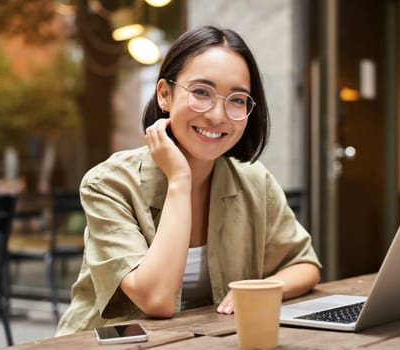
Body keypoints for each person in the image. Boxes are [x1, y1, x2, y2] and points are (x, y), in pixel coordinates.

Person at [56, 25, 321, 335]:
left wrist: (263, 287)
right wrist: (179, 180)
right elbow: (156, 299)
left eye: (237, 99)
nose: (218, 115)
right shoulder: (109, 183)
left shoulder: (253, 181)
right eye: (201, 92)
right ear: (165, 95)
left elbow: (305, 265)